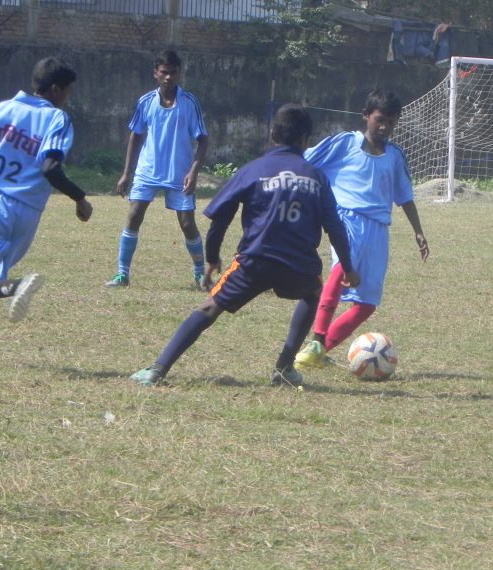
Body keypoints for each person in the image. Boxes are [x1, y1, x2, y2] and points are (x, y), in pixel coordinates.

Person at [129, 103, 360, 387]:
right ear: (305, 140)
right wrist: (347, 267)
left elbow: (220, 218)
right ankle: (284, 367)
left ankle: (157, 370)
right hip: (298, 265)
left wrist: (212, 258)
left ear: (272, 133)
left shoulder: (253, 170)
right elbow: (334, 226)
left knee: (209, 308)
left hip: (255, 261)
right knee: (313, 292)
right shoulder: (316, 176)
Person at [294, 89, 429, 370]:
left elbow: (404, 196)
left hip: (379, 229)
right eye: (380, 120)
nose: (384, 127)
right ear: (366, 116)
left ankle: (320, 350)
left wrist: (418, 231)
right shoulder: (345, 144)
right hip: (347, 219)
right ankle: (317, 338)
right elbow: (305, 160)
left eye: (391, 122)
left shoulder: (395, 156)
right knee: (341, 270)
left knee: (367, 303)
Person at [0, 57, 93, 321]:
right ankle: (13, 286)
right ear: (56, 89)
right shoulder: (57, 118)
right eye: (68, 91)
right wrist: (80, 199)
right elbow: (49, 167)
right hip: (28, 213)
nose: (67, 98)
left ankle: (16, 286)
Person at [106, 50, 209, 289]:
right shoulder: (145, 102)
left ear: (179, 73)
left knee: (186, 223)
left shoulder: (189, 102)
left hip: (178, 172)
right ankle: (122, 274)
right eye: (164, 72)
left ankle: (199, 275)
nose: (168, 77)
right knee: (134, 215)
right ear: (155, 73)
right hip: (148, 170)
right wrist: (126, 173)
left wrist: (193, 171)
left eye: (173, 72)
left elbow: (203, 139)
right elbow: (136, 135)